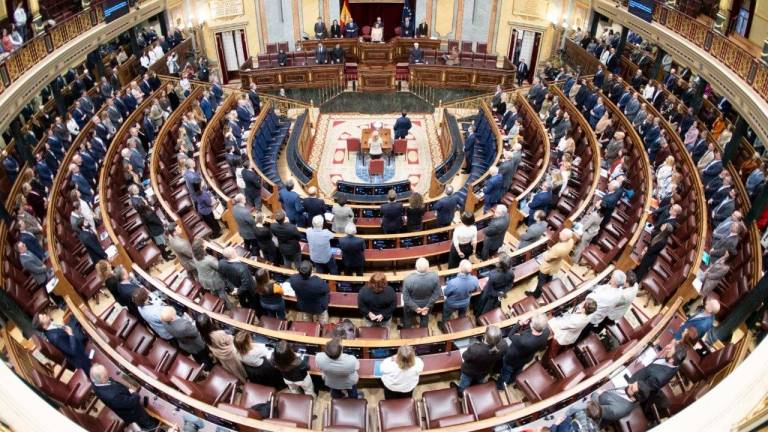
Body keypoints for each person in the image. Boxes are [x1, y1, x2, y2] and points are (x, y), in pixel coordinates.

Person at [90, 364, 160, 432]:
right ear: (101, 379)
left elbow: (112, 382)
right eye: (105, 376)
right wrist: (134, 394)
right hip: (133, 413)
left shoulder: (95, 383)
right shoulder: (112, 397)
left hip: (124, 403)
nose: (108, 376)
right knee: (149, 425)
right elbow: (132, 403)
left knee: (148, 418)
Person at [499, 314, 550, 389]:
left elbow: (510, 335)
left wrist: (519, 324)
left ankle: (501, 385)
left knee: (506, 372)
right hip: (527, 357)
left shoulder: (523, 340)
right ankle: (511, 381)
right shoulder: (546, 331)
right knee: (517, 370)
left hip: (512, 358)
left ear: (532, 325)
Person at [453, 326, 506, 395]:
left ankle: (461, 393)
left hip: (469, 372)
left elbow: (464, 356)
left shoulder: (475, 349)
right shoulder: (504, 346)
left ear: (485, 336)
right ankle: (477, 391)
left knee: (464, 384)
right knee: (480, 382)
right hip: (485, 371)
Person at [195, 314, 247, 382]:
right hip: (231, 355)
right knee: (240, 370)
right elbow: (231, 340)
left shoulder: (203, 335)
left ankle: (242, 380)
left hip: (222, 357)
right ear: (209, 324)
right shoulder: (218, 334)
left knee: (234, 371)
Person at [527, 229, 574, 298]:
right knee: (549, 277)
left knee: (541, 280)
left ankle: (536, 295)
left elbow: (547, 258)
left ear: (565, 237)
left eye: (562, 233)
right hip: (556, 264)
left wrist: (545, 253)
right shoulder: (571, 241)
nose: (560, 232)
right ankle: (546, 286)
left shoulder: (558, 249)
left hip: (548, 266)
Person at [191, 239, 231, 309]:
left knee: (214, 292)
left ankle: (217, 304)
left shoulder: (194, 256)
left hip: (204, 279)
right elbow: (219, 267)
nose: (206, 244)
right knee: (221, 293)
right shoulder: (209, 259)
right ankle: (228, 306)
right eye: (204, 244)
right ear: (201, 248)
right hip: (214, 281)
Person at [402, 258, 440, 328]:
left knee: (408, 319)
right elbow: (437, 294)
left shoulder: (408, 279)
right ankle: (423, 333)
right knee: (424, 319)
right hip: (427, 303)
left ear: (415, 267)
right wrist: (427, 306)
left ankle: (407, 333)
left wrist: (415, 308)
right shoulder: (435, 276)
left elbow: (405, 298)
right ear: (428, 267)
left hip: (411, 304)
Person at [218, 246, 259, 311]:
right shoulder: (242, 268)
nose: (236, 251)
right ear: (233, 254)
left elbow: (223, 277)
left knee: (242, 300)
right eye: (235, 251)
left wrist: (234, 288)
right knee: (253, 301)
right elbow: (246, 285)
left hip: (235, 287)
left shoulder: (221, 262)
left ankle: (245, 308)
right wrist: (238, 291)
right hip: (248, 289)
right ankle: (253, 310)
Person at [442, 260, 479, 326]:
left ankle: (445, 325)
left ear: (460, 268)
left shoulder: (453, 282)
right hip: (465, 303)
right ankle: (461, 324)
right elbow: (475, 289)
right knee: (462, 314)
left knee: (446, 316)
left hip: (451, 304)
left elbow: (445, 293)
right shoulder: (475, 279)